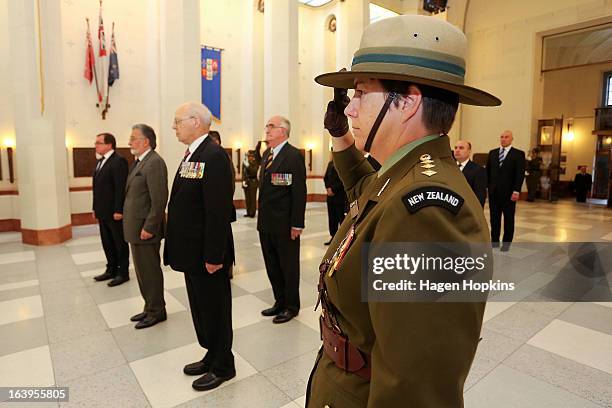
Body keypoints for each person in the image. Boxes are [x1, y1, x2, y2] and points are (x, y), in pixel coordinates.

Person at [306, 14, 498, 407]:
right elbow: (370, 196)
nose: (351, 109)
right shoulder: (404, 176)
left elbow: (417, 385)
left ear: (407, 102)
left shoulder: (427, 211)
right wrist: (342, 139)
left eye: (361, 94)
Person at [163, 102, 236, 391]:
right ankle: (211, 354)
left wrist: (214, 255)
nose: (174, 126)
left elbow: (216, 211)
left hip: (208, 254)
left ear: (195, 121)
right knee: (201, 309)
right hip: (192, 252)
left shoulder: (213, 156)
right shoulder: (194, 154)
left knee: (215, 309)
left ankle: (223, 366)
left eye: (177, 120)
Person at [257, 115, 307, 324]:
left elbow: (298, 192)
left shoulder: (293, 156)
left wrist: (297, 223)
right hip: (266, 223)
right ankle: (279, 301)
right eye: (267, 126)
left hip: (285, 224)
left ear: (283, 131)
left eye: (271, 126)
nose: (267, 130)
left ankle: (291, 306)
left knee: (288, 266)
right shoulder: (267, 154)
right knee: (272, 265)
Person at [123, 124, 169, 329]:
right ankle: (149, 306)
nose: (129, 142)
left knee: (150, 270)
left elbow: (159, 200)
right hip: (135, 228)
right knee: (142, 271)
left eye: (134, 138)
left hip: (145, 229)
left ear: (146, 141)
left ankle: (157, 310)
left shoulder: (154, 163)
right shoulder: (139, 163)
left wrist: (150, 226)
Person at [92, 132, 130, 287]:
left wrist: (119, 210)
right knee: (107, 242)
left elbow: (120, 188)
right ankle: (111, 269)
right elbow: (98, 189)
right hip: (102, 211)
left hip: (114, 212)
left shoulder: (118, 161)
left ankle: (123, 272)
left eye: (98, 143)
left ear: (109, 144)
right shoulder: (100, 162)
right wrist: (95, 208)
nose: (96, 145)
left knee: (119, 243)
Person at [486, 130, 525, 251]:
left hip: (509, 194)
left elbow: (520, 174)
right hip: (494, 193)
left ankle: (507, 243)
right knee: (494, 218)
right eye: (501, 137)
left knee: (508, 219)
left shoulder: (518, 154)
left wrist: (517, 190)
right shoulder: (492, 153)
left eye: (506, 137)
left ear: (512, 139)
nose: (503, 139)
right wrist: (488, 187)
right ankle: (495, 242)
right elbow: (488, 172)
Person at [208, 130, 237, 279]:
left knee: (226, 239)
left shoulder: (223, 157)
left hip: (222, 207)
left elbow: (230, 183)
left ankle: (228, 267)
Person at [323, 154, 347, 244]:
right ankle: (333, 237)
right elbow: (325, 178)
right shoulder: (330, 164)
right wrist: (328, 188)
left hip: (339, 197)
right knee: (332, 219)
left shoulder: (343, 164)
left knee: (341, 219)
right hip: (330, 198)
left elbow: (343, 180)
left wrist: (333, 189)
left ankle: (342, 239)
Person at [454, 140, 487, 207]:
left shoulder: (478, 170)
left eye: (461, 148)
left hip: (467, 209)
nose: (457, 150)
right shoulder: (449, 168)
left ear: (469, 151)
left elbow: (480, 196)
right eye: (455, 148)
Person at [242, 142, 262, 218]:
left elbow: (254, 171)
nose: (249, 157)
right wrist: (243, 181)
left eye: (250, 156)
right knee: (247, 199)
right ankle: (248, 211)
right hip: (246, 182)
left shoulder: (255, 162)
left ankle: (252, 213)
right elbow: (243, 173)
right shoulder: (245, 162)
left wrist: (248, 166)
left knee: (252, 198)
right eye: (248, 155)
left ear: (253, 156)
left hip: (253, 182)